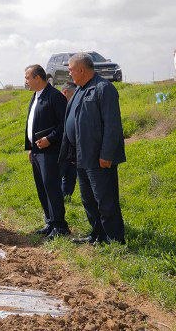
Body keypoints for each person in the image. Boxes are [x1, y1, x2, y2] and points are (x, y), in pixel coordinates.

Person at [59, 53, 127, 245]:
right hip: (81, 156)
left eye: (71, 70)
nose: (69, 73)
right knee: (88, 199)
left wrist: (106, 154)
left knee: (105, 199)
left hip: (98, 157)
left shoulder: (103, 88)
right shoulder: (80, 90)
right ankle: (97, 234)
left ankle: (113, 239)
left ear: (81, 70)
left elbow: (112, 125)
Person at [24, 64, 69, 238]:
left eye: (28, 78)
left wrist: (49, 139)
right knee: (42, 188)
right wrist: (31, 148)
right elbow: (33, 122)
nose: (26, 81)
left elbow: (64, 124)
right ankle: (50, 222)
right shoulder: (36, 95)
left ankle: (60, 226)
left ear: (37, 78)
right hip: (37, 151)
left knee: (52, 188)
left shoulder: (55, 96)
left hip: (50, 151)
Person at [59, 82, 78, 200]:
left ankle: (66, 197)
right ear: (65, 92)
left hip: (73, 149)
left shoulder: (74, 106)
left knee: (71, 175)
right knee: (58, 174)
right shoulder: (56, 105)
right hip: (59, 148)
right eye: (74, 94)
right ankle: (56, 198)